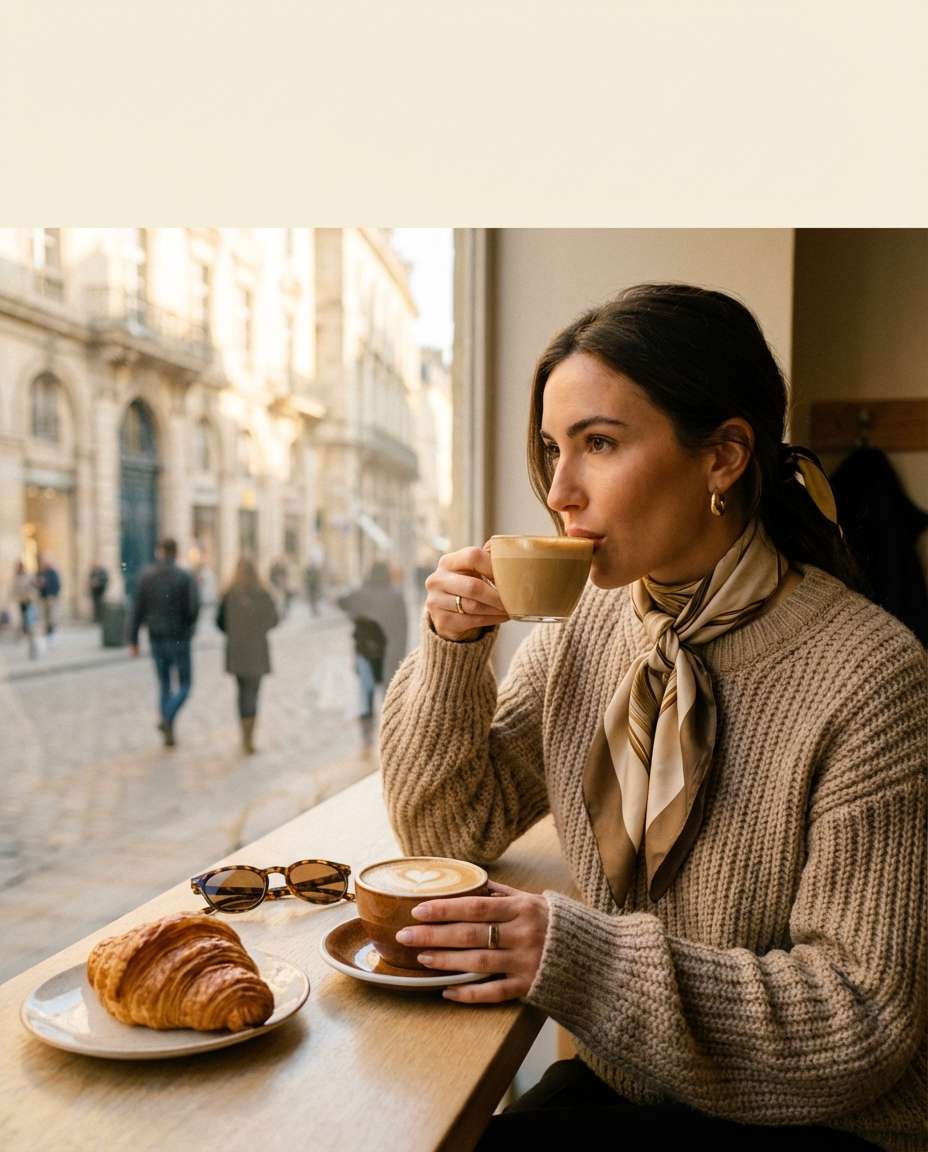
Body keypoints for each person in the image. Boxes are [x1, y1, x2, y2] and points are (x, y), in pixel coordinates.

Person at [379, 285, 925, 1151]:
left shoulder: (875, 677)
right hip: (632, 1088)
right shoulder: (589, 629)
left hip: (828, 1124)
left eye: (599, 444)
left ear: (724, 457)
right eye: (553, 449)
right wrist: (452, 646)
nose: (560, 490)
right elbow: (450, 827)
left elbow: (859, 1022)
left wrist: (581, 957)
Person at [129, 537, 200, 748]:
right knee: (185, 684)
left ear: (160, 552)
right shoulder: (184, 576)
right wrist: (189, 628)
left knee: (165, 684)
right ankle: (167, 719)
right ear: (176, 553)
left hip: (157, 637)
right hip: (179, 639)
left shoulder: (147, 577)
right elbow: (194, 608)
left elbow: (137, 610)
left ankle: (167, 722)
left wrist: (133, 639)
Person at [215, 557, 279, 754]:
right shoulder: (262, 593)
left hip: (237, 651)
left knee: (242, 694)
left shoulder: (229, 594)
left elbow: (219, 622)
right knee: (253, 693)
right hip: (256, 650)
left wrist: (235, 633)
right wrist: (257, 630)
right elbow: (274, 619)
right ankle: (249, 738)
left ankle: (245, 736)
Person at [338, 561, 408, 733]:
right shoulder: (395, 596)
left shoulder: (361, 594)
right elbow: (403, 627)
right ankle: (390, 734)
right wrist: (401, 653)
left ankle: (366, 740)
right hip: (390, 652)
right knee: (389, 696)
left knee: (366, 696)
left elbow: (341, 602)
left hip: (366, 652)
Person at [12, 559, 39, 659]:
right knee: (24, 626)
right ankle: (22, 640)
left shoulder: (29, 577)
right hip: (21, 604)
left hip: (29, 604)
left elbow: (35, 588)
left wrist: (30, 590)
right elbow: (13, 592)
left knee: (30, 626)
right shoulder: (16, 579)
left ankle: (33, 648)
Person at [36, 555, 61, 640]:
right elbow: (36, 584)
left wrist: (47, 586)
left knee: (52, 616)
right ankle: (47, 632)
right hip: (43, 597)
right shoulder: (40, 572)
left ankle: (52, 632)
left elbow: (56, 585)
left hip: (51, 597)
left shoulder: (53, 573)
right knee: (45, 616)